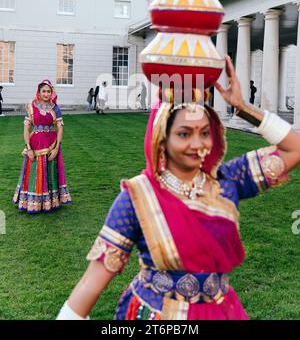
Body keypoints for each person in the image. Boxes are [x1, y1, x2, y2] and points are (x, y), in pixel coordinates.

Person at [57, 56, 300, 320]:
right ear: (162, 139)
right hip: (157, 314)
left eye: (204, 132)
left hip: (221, 311)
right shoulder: (138, 197)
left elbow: (294, 149)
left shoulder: (228, 181)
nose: (197, 144)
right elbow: (91, 282)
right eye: (184, 134)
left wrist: (242, 107)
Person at [13, 79, 72, 213]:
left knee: (50, 171)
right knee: (34, 172)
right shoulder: (31, 106)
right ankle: (33, 202)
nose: (46, 94)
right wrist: (28, 148)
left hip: (51, 144)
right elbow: (26, 129)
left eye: (48, 91)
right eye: (43, 91)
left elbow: (60, 129)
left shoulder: (55, 107)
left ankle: (49, 202)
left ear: (52, 93)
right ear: (39, 92)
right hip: (35, 144)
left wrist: (57, 148)